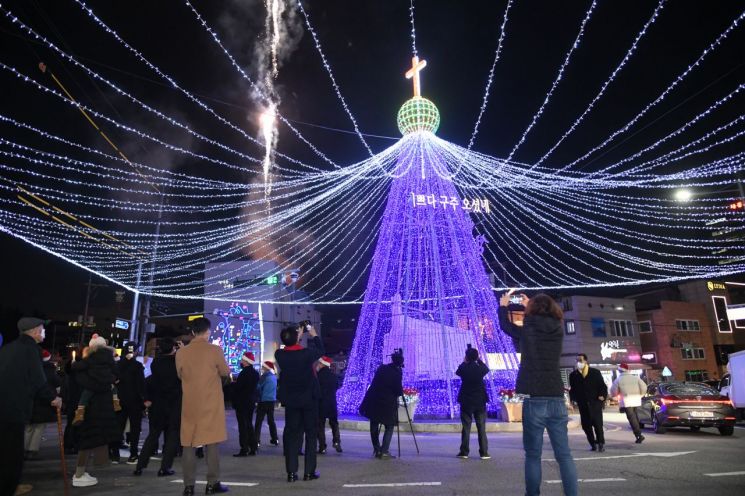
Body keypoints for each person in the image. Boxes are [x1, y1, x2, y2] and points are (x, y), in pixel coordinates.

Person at [498, 292, 578, 496]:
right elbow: (542, 320)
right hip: (556, 395)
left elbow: (506, 327)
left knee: (533, 455)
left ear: (532, 310)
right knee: (564, 455)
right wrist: (530, 306)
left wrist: (504, 306)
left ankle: (532, 494)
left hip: (534, 397)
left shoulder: (528, 330)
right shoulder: (558, 329)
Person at [0, 317, 62, 496]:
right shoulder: (31, 350)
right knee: (12, 455)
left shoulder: (8, 348)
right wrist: (53, 398)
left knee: (4, 451)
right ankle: (9, 487)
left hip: (3, 406)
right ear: (35, 331)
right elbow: (38, 381)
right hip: (14, 409)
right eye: (43, 329)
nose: (44, 332)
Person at [176, 317, 231, 495]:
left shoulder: (181, 353)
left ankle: (189, 486)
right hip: (211, 402)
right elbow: (225, 371)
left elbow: (180, 375)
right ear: (207, 331)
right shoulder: (215, 350)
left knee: (189, 444)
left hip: (190, 402)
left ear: (192, 332)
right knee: (212, 443)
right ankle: (212, 483)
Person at [274, 323, 325, 482]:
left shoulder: (280, 355)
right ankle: (309, 472)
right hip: (309, 400)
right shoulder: (306, 354)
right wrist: (313, 334)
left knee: (292, 435)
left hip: (291, 401)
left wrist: (297, 336)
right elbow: (321, 350)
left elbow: (289, 347)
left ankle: (291, 472)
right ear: (297, 338)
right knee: (310, 434)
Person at [72, 334, 121, 488]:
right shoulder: (109, 363)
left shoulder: (88, 361)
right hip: (104, 407)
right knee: (97, 438)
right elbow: (117, 374)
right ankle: (80, 474)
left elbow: (75, 369)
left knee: (87, 440)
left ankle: (80, 473)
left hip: (90, 408)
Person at [134, 338, 182, 477]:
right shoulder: (176, 363)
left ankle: (140, 466)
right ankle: (165, 467)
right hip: (173, 405)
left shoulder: (156, 363)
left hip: (158, 405)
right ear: (173, 349)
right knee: (172, 436)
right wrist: (182, 350)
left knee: (153, 435)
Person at [359, 350, 404, 460]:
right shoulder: (397, 373)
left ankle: (377, 448)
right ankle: (384, 451)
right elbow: (398, 391)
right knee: (389, 426)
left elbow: (375, 382)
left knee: (374, 425)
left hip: (374, 402)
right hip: (388, 405)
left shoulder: (382, 368)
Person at [24, 349, 62, 460]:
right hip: (45, 402)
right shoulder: (50, 371)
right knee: (39, 427)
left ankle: (24, 447)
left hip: (32, 401)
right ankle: (32, 449)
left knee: (29, 427)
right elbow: (58, 385)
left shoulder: (30, 369)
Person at [455, 346, 490, 460]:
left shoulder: (464, 369)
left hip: (466, 401)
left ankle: (464, 452)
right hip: (480, 402)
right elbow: (486, 368)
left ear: (467, 357)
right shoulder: (480, 369)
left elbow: (458, 371)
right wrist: (478, 360)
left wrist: (465, 361)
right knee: (481, 428)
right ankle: (484, 452)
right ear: (476, 357)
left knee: (466, 427)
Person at [569, 353, 608, 452]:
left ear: (586, 361)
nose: (578, 363)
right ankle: (592, 443)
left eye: (580, 360)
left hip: (595, 403)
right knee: (586, 426)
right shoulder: (573, 375)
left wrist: (602, 396)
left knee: (598, 425)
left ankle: (601, 443)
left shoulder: (595, 372)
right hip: (582, 404)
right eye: (577, 361)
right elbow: (572, 389)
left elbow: (602, 386)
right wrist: (573, 399)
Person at [116, 341, 145, 464]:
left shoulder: (117, 365)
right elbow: (141, 385)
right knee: (135, 428)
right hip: (135, 401)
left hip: (119, 399)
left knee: (118, 426)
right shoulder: (138, 366)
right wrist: (145, 399)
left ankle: (114, 453)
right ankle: (133, 454)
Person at [610, 363, 647, 444]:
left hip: (626, 401)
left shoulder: (618, 380)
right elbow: (644, 387)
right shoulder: (635, 378)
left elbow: (613, 391)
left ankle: (638, 435)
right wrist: (640, 395)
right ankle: (639, 433)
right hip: (636, 400)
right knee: (636, 417)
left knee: (631, 418)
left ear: (620, 370)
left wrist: (614, 396)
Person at [232, 351, 259, 457]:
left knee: (242, 426)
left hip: (242, 403)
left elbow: (239, 389)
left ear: (246, 361)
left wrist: (233, 385)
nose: (241, 361)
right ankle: (253, 447)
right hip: (251, 402)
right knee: (249, 424)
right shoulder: (255, 373)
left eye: (242, 360)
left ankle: (244, 448)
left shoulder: (243, 374)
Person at [316, 356, 342, 454]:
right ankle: (336, 442)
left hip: (321, 403)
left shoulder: (317, 376)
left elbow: (315, 389)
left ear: (322, 364)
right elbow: (336, 387)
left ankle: (322, 447)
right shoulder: (333, 376)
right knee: (334, 423)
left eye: (319, 363)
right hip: (332, 403)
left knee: (320, 425)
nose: (317, 365)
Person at [254, 361, 279, 448]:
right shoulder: (274, 377)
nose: (262, 368)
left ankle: (256, 441)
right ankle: (275, 438)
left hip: (263, 401)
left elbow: (258, 386)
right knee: (271, 421)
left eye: (263, 366)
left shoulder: (265, 376)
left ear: (266, 367)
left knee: (259, 422)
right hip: (272, 401)